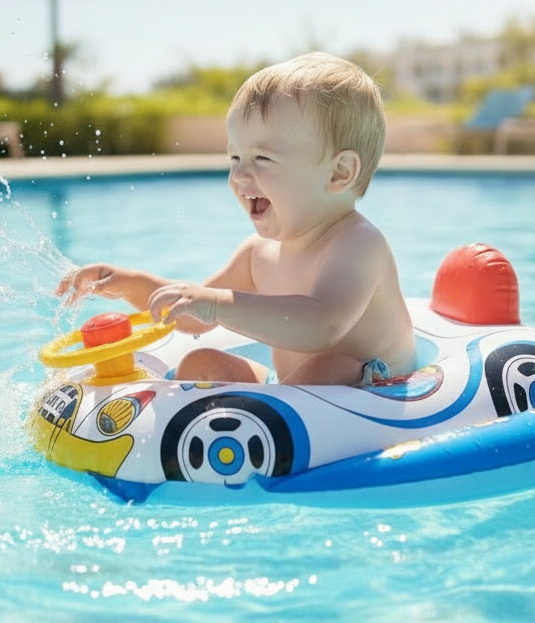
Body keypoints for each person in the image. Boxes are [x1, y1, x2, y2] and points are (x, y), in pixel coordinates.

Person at [55, 52, 416, 386]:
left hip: (377, 389)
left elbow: (324, 326)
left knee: (331, 366)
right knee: (201, 364)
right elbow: (194, 314)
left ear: (338, 173)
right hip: (292, 391)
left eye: (263, 158)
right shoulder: (257, 254)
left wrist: (217, 304)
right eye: (234, 158)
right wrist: (131, 283)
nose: (241, 175)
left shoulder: (357, 243)